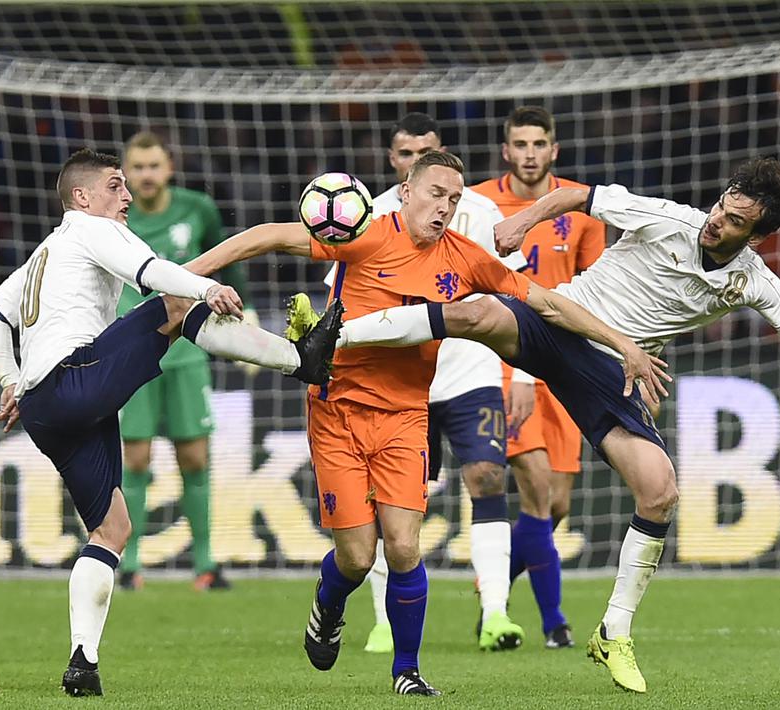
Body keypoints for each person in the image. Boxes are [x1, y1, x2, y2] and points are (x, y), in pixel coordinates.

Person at [329, 156, 780, 693]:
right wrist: (523, 222)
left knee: (660, 490)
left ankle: (613, 631)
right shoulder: (667, 218)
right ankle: (337, 337)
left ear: (757, 235)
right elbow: (577, 197)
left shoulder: (755, 282)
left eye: (735, 220)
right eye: (721, 205)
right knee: (479, 311)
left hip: (613, 372)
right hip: (564, 323)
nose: (717, 221)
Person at [186, 151, 664, 696]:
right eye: (436, 193)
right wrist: (187, 278)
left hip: (407, 414)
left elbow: (548, 305)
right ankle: (329, 601)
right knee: (357, 556)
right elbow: (266, 235)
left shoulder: (465, 257)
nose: (445, 207)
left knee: (405, 547)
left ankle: (407, 672)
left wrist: (623, 344)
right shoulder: (362, 232)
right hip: (337, 409)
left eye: (454, 198)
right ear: (406, 190)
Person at [0, 148, 342, 697]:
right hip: (74, 378)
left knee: (112, 529)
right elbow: (151, 275)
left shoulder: (47, 251)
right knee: (174, 304)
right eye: (115, 185)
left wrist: (8, 380)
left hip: (45, 407)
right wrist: (206, 288)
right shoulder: (90, 229)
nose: (125, 196)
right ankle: (302, 361)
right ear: (82, 197)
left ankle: (83, 660)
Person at [337, 113, 528, 654]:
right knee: (390, 506)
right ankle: (381, 620)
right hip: (396, 384)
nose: (415, 157)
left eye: (426, 148)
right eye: (404, 153)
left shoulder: (481, 212)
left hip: (471, 371)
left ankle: (495, 613)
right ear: (397, 166)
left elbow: (516, 294)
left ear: (440, 152)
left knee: (489, 477)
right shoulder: (368, 215)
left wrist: (524, 374)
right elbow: (341, 293)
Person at [471, 106, 606, 649]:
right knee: (535, 487)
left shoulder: (582, 207)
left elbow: (599, 287)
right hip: (504, 359)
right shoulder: (477, 204)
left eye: (539, 143)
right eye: (519, 144)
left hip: (565, 366)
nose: (529, 153)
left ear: (554, 150)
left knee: (558, 505)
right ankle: (554, 623)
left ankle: (493, 591)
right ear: (506, 151)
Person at [117, 132, 253, 591]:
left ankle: (204, 565)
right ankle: (128, 564)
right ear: (124, 173)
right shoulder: (111, 215)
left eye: (154, 166)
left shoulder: (198, 209)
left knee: (194, 456)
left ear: (169, 168)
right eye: (137, 167)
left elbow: (227, 259)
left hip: (188, 349)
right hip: (130, 350)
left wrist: (245, 308)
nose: (146, 175)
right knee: (134, 458)